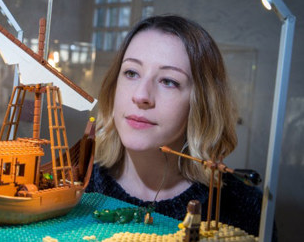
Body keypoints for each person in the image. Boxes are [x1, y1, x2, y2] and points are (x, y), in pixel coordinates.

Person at [86, 15, 265, 237]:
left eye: (169, 81)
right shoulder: (76, 186)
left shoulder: (246, 207)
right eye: (131, 73)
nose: (141, 95)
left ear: (202, 103)